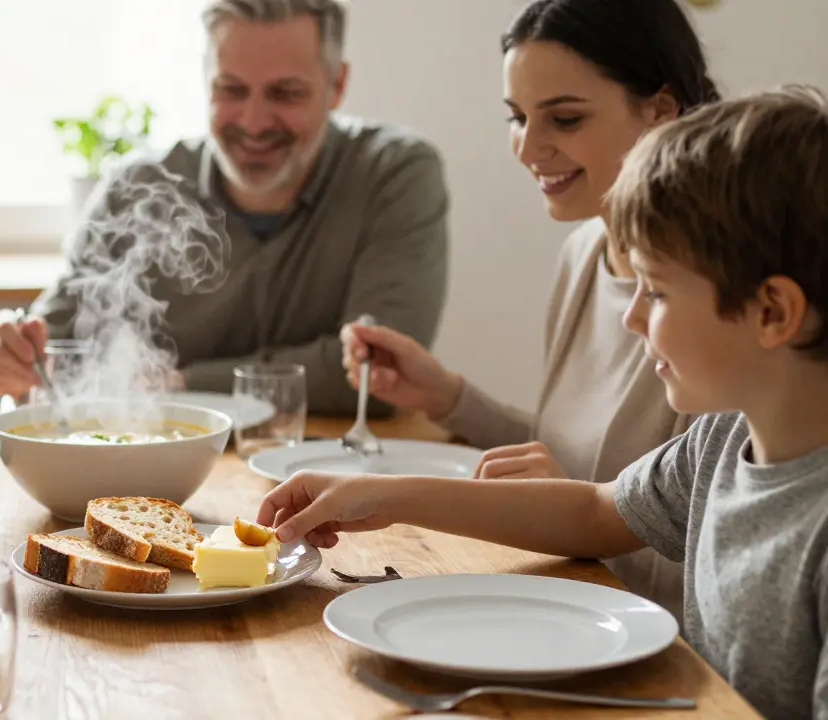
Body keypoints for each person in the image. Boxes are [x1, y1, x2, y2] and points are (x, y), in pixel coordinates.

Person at [264, 86, 828, 720]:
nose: (635, 319)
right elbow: (592, 510)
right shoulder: (722, 439)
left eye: (659, 293)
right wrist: (387, 495)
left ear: (773, 311)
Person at [340, 0, 720, 617]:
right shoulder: (583, 254)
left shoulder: (713, 296)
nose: (527, 147)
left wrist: (562, 508)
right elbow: (578, 462)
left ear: (660, 109)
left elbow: (698, 554)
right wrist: (448, 398)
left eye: (565, 119)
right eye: (517, 117)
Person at [0, 0, 450, 415]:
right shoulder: (137, 188)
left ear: (338, 85)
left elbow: (382, 377)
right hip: (156, 475)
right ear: (204, 81)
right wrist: (14, 357)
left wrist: (182, 383)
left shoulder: (395, 175)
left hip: (337, 478)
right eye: (231, 89)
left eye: (285, 93)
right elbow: (52, 352)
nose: (253, 121)